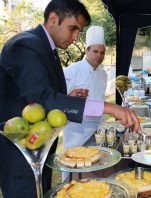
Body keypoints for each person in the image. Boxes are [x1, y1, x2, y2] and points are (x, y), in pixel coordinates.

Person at [0, 0, 140, 197]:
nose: (75, 38)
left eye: (79, 32)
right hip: (21, 157)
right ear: (53, 18)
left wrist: (67, 98)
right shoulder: (24, 45)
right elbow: (43, 100)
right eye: (72, 29)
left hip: (41, 149)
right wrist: (108, 107)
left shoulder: (46, 48)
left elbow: (38, 100)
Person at [63, 25, 107, 150]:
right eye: (95, 51)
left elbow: (100, 99)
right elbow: (61, 101)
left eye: (102, 52)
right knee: (72, 162)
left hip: (97, 130)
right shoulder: (71, 71)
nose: (99, 55)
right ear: (87, 51)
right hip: (76, 131)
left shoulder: (103, 74)